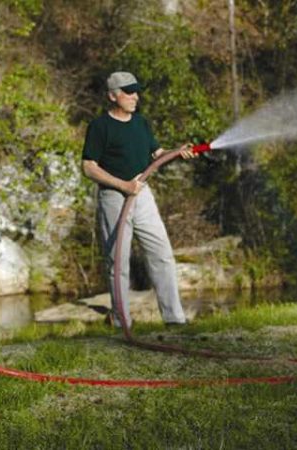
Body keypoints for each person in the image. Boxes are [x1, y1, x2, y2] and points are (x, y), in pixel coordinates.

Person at [81, 71, 197, 328]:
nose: (135, 96)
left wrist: (177, 152)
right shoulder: (100, 127)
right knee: (118, 262)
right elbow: (89, 167)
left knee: (162, 254)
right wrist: (123, 185)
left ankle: (174, 319)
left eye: (136, 91)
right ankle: (122, 321)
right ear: (113, 96)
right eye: (129, 92)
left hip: (142, 195)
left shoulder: (141, 123)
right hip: (114, 197)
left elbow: (157, 154)